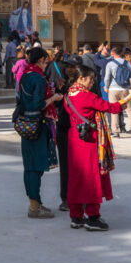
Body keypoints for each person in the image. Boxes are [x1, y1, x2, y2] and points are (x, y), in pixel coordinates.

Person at [64, 65, 131, 230]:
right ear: (81, 78)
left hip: (75, 138)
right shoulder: (86, 96)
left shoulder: (68, 94)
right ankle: (93, 217)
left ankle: (76, 216)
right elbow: (111, 108)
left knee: (76, 178)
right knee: (91, 178)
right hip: (89, 140)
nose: (92, 83)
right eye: (90, 79)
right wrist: (129, 97)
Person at [17, 47, 61, 218]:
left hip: (25, 123)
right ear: (41, 60)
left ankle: (34, 202)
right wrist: (53, 98)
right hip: (38, 125)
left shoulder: (25, 75)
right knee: (36, 167)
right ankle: (34, 207)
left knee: (29, 166)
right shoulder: (39, 79)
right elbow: (37, 104)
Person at [54, 53, 79, 211]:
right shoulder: (62, 83)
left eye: (73, 67)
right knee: (65, 165)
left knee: (80, 166)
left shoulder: (87, 83)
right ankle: (65, 198)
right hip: (63, 127)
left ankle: (79, 197)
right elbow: (58, 105)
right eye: (67, 66)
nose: (69, 69)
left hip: (79, 129)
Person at [104, 46, 131, 138]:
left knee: (114, 110)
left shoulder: (110, 64)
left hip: (113, 90)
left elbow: (107, 78)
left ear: (112, 54)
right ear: (121, 54)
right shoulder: (127, 64)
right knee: (130, 110)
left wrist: (107, 86)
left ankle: (116, 131)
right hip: (125, 89)